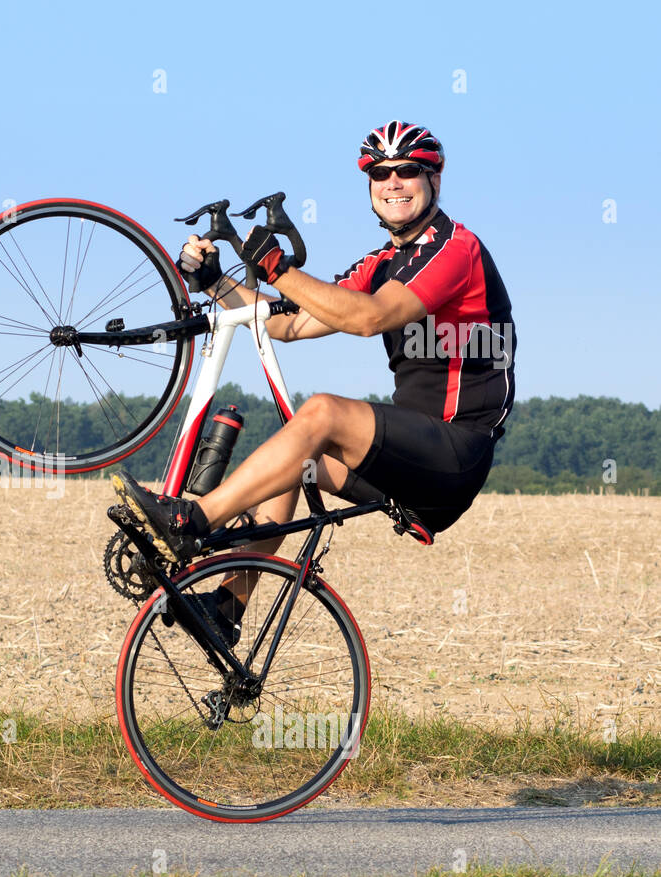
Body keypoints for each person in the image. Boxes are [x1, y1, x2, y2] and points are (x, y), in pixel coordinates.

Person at [111, 120, 516, 643]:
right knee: (290, 461)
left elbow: (369, 317)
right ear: (369, 186)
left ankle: (193, 519)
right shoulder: (382, 263)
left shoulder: (455, 250)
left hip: (454, 456)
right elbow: (291, 322)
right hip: (406, 460)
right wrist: (216, 283)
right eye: (381, 173)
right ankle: (226, 608)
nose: (393, 182)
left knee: (321, 412)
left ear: (434, 179)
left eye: (408, 171)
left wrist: (275, 265)